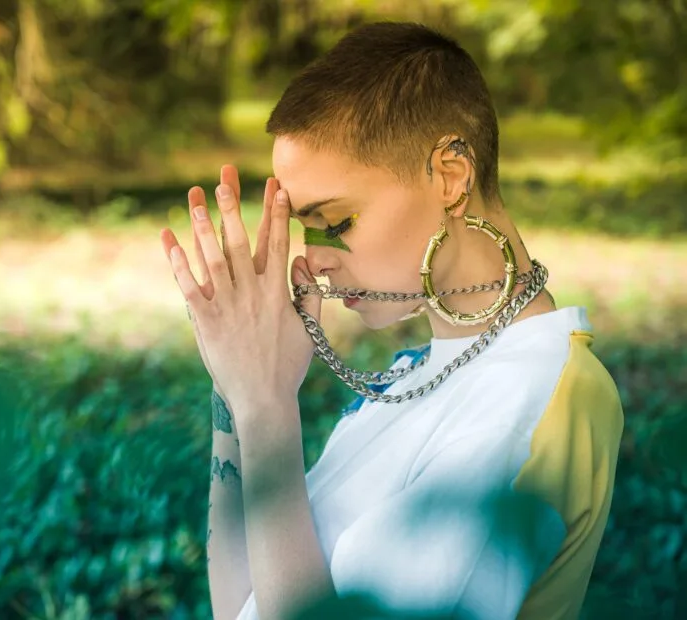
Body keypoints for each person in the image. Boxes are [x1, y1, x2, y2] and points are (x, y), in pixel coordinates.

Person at [159, 21, 623, 620]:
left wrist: (267, 410)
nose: (313, 255)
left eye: (336, 219)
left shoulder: (525, 408)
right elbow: (241, 605)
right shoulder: (423, 373)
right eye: (304, 224)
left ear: (451, 177)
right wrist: (240, 389)